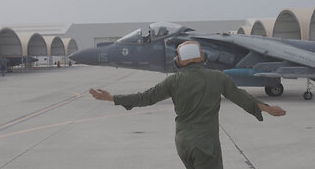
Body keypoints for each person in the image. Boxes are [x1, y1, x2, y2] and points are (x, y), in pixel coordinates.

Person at [89, 41, 286, 169]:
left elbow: (144, 97)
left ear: (178, 61)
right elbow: (241, 97)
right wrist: (268, 109)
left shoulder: (173, 81)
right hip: (205, 145)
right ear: (203, 58)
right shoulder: (218, 77)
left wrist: (112, 98)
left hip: (183, 143)